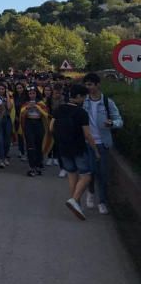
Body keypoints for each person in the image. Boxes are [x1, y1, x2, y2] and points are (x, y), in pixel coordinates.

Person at [52, 83, 101, 220]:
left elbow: (51, 127)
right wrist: (95, 150)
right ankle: (74, 200)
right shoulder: (81, 113)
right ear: (78, 96)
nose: (84, 100)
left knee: (72, 174)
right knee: (86, 175)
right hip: (78, 147)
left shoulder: (59, 109)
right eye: (84, 97)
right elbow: (87, 134)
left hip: (63, 147)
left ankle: (76, 203)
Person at [82, 72, 124, 215]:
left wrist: (112, 123)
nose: (88, 87)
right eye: (86, 85)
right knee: (91, 171)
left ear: (97, 85)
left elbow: (119, 121)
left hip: (103, 143)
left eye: (90, 84)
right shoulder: (83, 101)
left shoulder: (107, 102)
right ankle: (91, 192)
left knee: (103, 174)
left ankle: (102, 201)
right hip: (88, 142)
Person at [19, 86, 50, 177]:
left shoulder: (40, 103)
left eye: (33, 93)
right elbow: (22, 114)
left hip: (39, 124)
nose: (32, 95)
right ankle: (32, 166)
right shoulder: (25, 103)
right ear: (27, 95)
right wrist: (28, 108)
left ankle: (38, 164)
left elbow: (45, 114)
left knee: (39, 144)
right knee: (30, 145)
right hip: (29, 124)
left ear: (36, 94)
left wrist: (37, 108)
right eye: (30, 93)